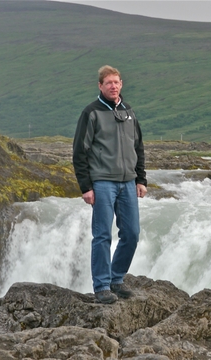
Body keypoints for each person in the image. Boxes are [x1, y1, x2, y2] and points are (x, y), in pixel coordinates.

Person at [72, 65, 147, 304]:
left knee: (132, 234)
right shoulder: (91, 113)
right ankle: (102, 286)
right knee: (102, 235)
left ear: (121, 84)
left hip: (128, 182)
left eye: (116, 82)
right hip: (102, 182)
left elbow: (138, 147)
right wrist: (86, 187)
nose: (113, 86)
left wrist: (141, 179)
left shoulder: (129, 112)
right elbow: (79, 152)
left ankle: (117, 278)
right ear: (100, 86)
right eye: (108, 83)